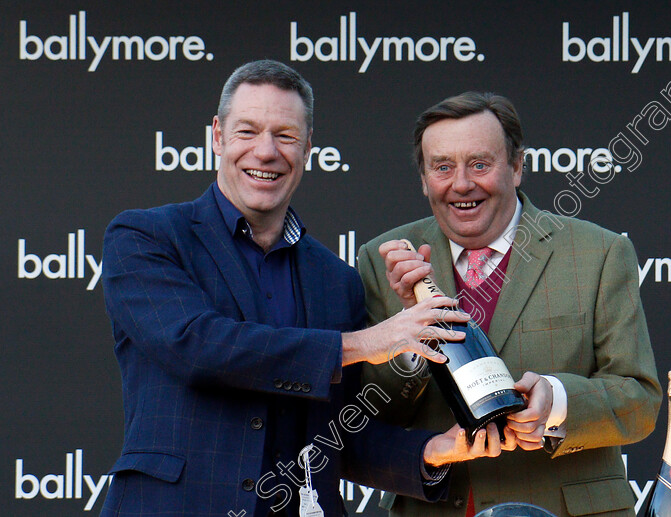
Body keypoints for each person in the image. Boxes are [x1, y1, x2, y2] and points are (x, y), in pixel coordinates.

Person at [100, 61, 507, 517]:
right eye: (247, 131)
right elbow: (197, 346)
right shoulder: (145, 237)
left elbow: (340, 431)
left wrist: (435, 450)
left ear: (309, 147)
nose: (266, 151)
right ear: (217, 136)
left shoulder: (336, 279)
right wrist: (366, 343)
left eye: (286, 136)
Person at [359, 92, 662, 517]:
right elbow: (373, 415)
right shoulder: (385, 259)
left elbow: (640, 401)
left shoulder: (599, 252)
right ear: (424, 179)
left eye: (480, 164)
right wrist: (409, 338)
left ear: (517, 167)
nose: (461, 183)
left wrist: (556, 402)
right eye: (442, 167)